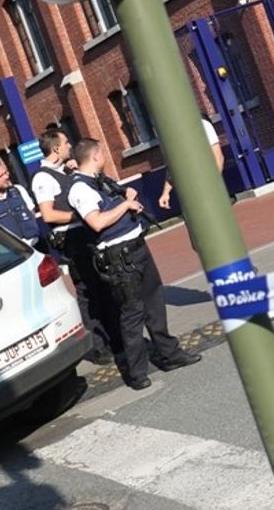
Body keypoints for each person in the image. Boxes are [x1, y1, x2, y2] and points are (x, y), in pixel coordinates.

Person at [67, 138, 200, 390]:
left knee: (154, 302)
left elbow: (111, 204)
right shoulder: (80, 189)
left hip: (136, 247)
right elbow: (96, 222)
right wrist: (126, 205)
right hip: (119, 258)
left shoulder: (99, 180)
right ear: (95, 156)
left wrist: (124, 196)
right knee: (132, 313)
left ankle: (169, 354)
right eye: (102, 153)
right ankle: (137, 372)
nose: (104, 157)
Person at [32, 128, 117, 366]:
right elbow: (48, 214)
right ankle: (99, 346)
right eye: (66, 142)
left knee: (102, 287)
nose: (70, 146)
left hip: (86, 237)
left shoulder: (65, 171)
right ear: (56, 148)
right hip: (72, 243)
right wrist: (78, 215)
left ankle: (114, 338)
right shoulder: (43, 178)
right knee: (88, 294)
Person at [157, 116, 224, 212]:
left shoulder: (202, 125)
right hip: (188, 193)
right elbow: (173, 167)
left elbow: (218, 157)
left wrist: (214, 185)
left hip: (208, 185)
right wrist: (166, 192)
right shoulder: (169, 134)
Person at [0, 158, 44, 249]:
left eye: (6, 173)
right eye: (0, 176)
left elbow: (31, 212)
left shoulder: (18, 190)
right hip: (15, 252)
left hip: (38, 244)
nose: (6, 177)